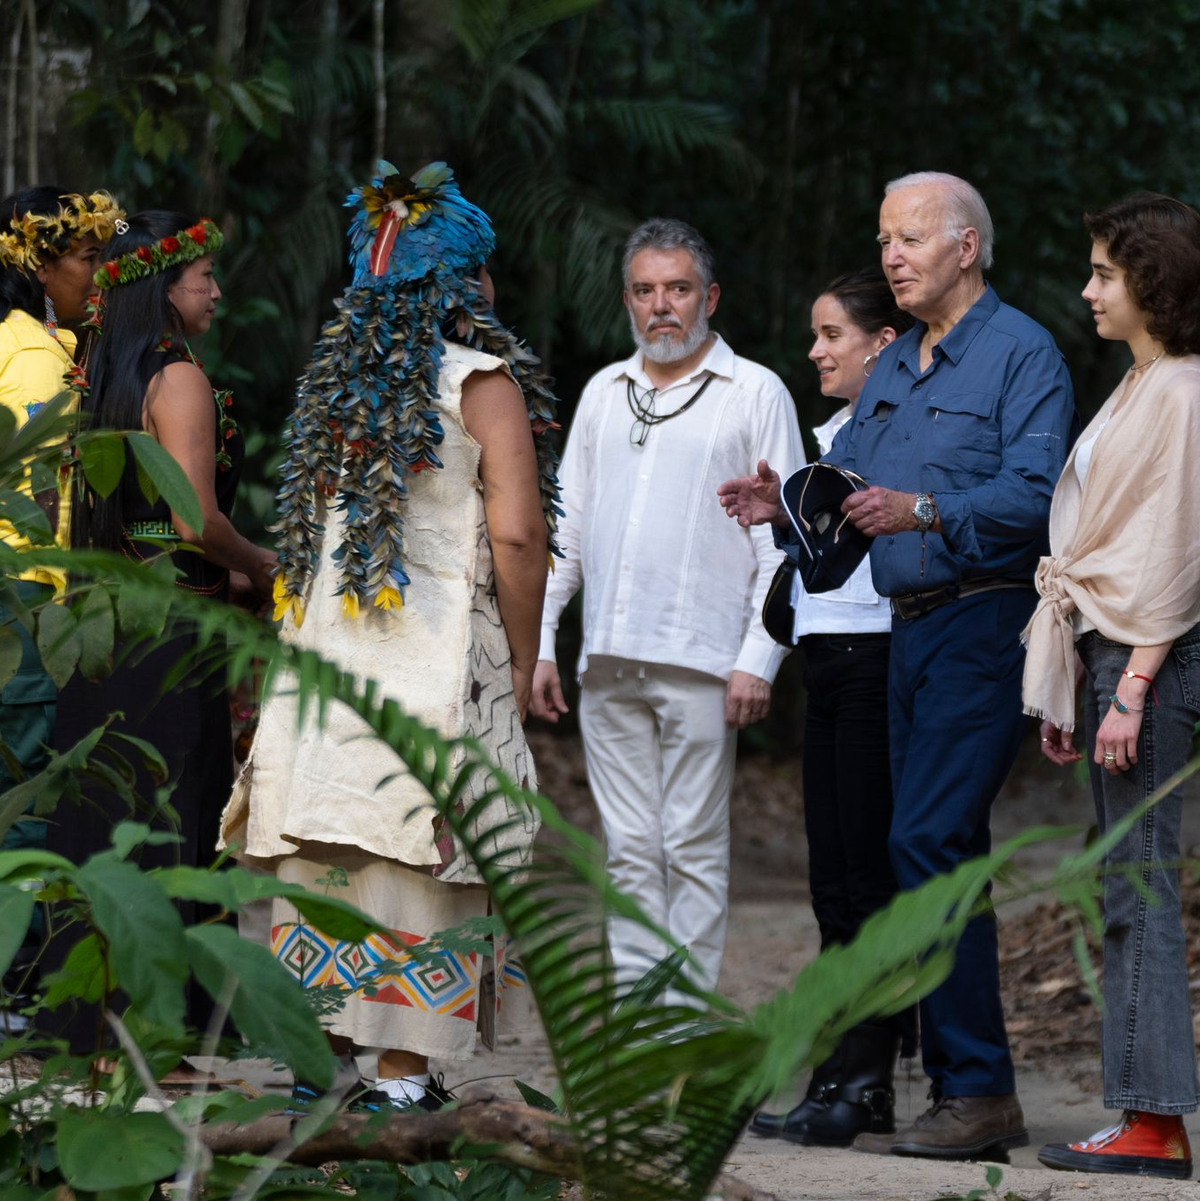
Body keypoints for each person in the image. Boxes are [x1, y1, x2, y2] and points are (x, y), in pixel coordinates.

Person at [718, 172, 1077, 1159]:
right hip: (905, 630)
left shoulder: (1020, 353)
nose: (891, 255)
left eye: (910, 237)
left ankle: (976, 1088)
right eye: (884, 238)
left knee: (926, 838)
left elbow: (1039, 496)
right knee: (932, 850)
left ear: (967, 246)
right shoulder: (894, 368)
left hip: (984, 619)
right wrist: (785, 508)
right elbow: (851, 497)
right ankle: (967, 1087)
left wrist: (924, 510)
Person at [222, 161, 561, 1112]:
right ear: (461, 281)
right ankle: (403, 1080)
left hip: (329, 665)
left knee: (332, 848)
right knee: (425, 853)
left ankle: (321, 1067)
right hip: (437, 664)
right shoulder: (480, 382)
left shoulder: (334, 393)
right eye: (481, 270)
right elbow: (519, 535)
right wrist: (522, 655)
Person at [530, 218, 803, 993]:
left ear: (709, 297)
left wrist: (759, 659)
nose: (661, 306)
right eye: (645, 291)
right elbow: (567, 530)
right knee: (627, 849)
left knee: (691, 845)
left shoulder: (755, 391)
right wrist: (543, 641)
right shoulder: (603, 392)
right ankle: (638, 1014)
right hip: (609, 659)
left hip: (703, 658)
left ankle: (684, 1018)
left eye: (678, 289)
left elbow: (786, 541)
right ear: (627, 300)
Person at [46, 211, 275, 1054]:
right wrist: (263, 563)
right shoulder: (176, 377)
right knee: (177, 806)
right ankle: (168, 1028)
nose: (215, 290)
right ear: (165, 287)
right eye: (203, 276)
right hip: (170, 628)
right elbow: (192, 519)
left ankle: (95, 1019)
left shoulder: (102, 371)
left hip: (103, 620)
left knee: (107, 803)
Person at [1024, 193, 1200, 1181]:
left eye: (1104, 273)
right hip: (1116, 652)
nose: (1089, 290)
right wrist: (1076, 686)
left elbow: (1177, 549)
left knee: (1140, 877)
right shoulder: (1142, 381)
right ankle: (1145, 1112)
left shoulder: (1181, 389)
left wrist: (1130, 685)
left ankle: (1156, 1123)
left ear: (1153, 280)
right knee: (1124, 876)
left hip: (1151, 655)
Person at [750, 269, 915, 1148]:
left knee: (864, 882)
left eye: (831, 335)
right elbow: (828, 555)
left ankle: (862, 1077)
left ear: (883, 343)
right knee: (833, 883)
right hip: (827, 659)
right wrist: (780, 515)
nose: (815, 351)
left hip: (874, 657)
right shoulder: (836, 434)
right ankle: (846, 1072)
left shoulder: (903, 428)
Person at [0, 186, 123, 1030]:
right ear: (39, 264)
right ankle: (15, 986)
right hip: (28, 589)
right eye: (85, 257)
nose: (98, 274)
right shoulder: (38, 356)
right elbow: (40, 492)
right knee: (25, 786)